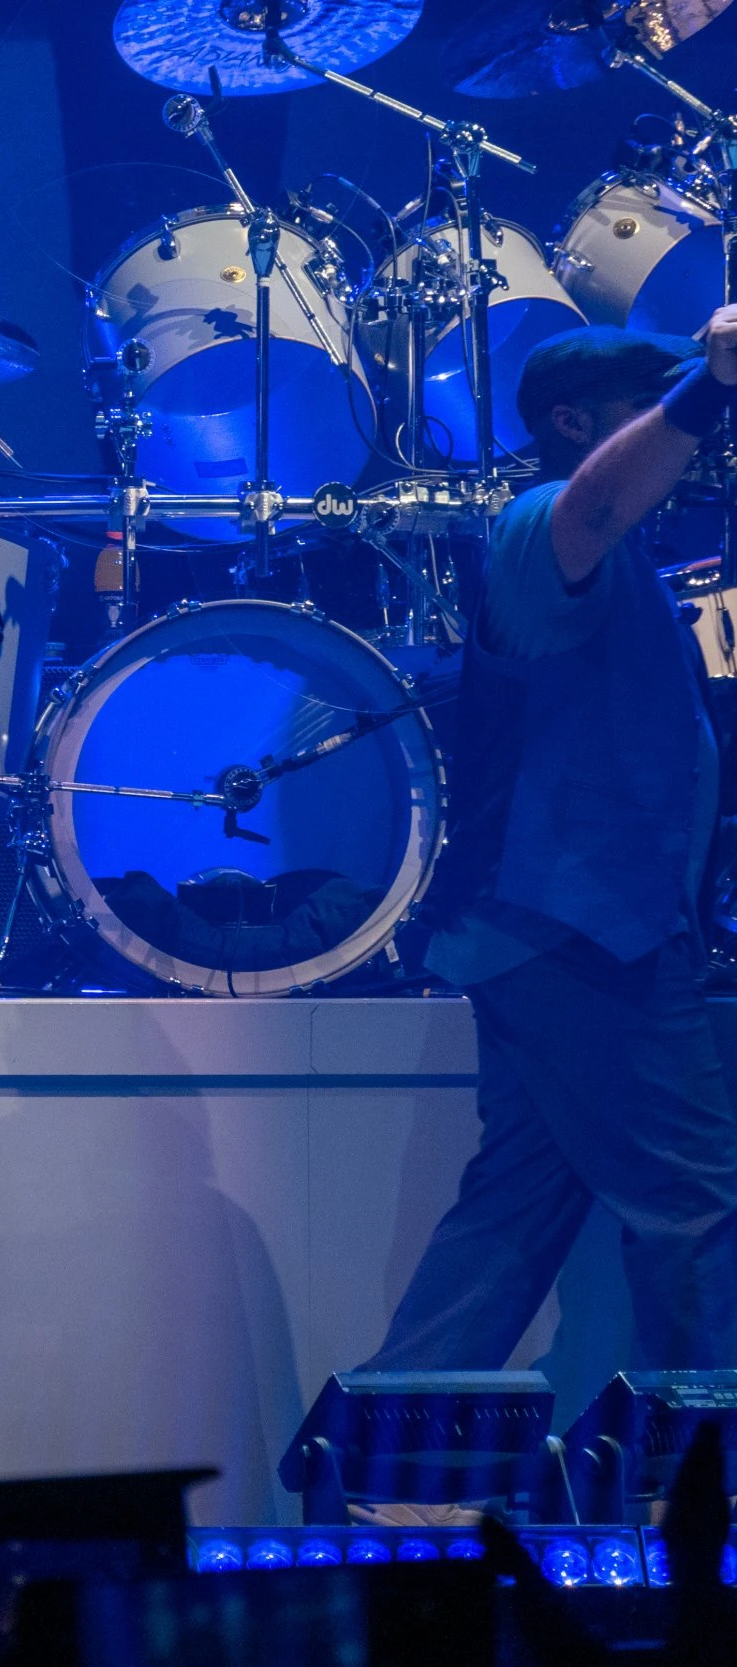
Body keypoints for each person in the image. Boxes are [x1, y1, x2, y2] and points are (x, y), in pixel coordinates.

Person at [365, 316, 737, 1372]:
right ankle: (698, 1460)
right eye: (643, 407)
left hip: (556, 931)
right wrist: (705, 390)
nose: (677, 432)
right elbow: (596, 504)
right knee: (692, 1204)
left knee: (510, 1218)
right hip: (577, 931)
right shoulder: (538, 520)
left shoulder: (621, 563)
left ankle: (384, 1443)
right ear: (574, 424)